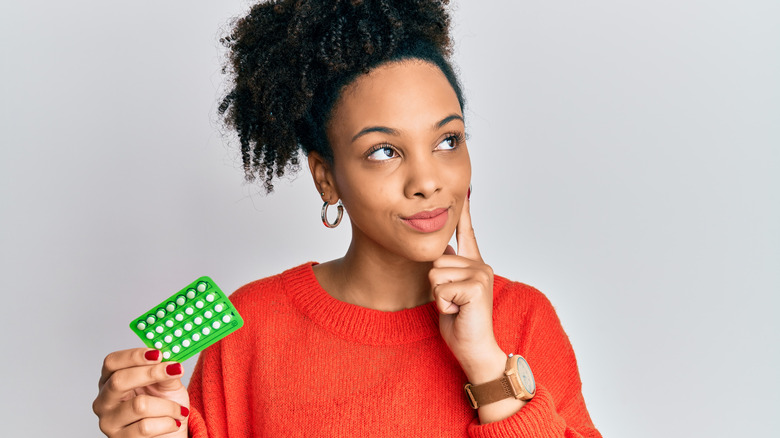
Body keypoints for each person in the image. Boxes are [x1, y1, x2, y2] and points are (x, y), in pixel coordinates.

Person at [92, 1, 601, 436]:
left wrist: (487, 365)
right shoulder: (250, 329)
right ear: (326, 178)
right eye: (383, 151)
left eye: (448, 140)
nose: (427, 180)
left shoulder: (523, 320)